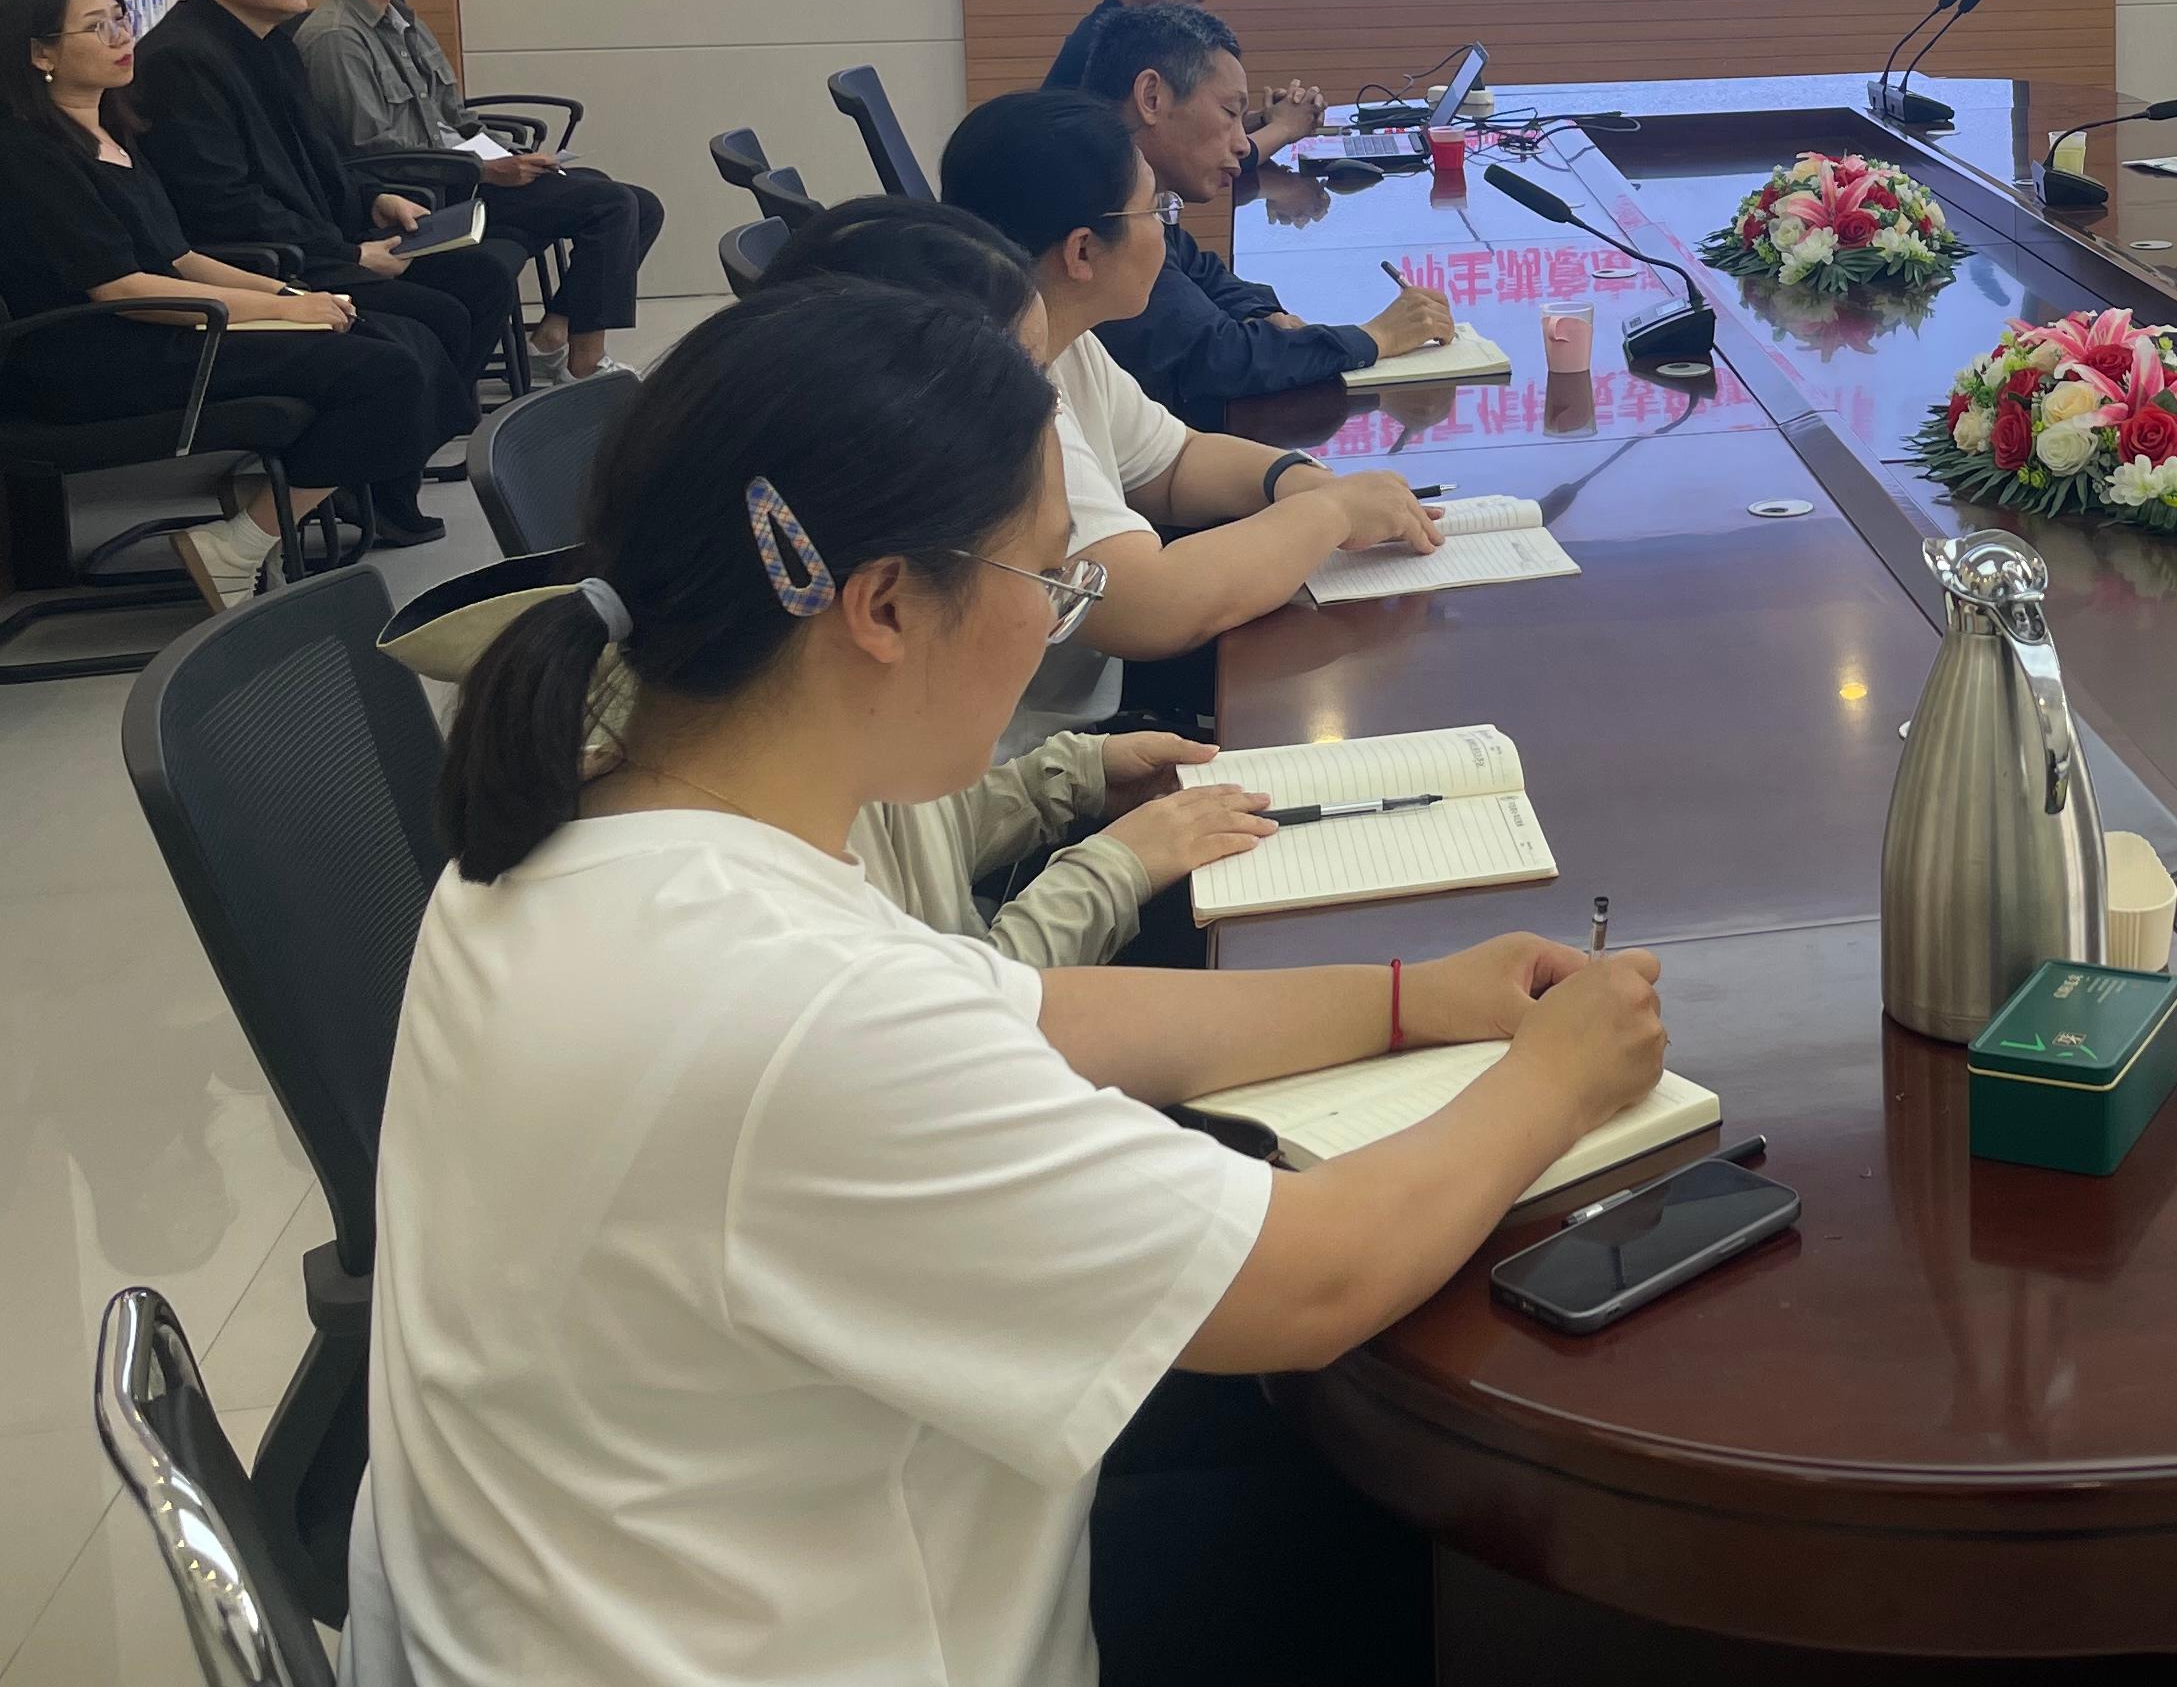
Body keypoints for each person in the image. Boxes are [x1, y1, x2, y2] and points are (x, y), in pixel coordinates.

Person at [356, 277, 1670, 1684]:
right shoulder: (792, 1009)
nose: (1057, 624)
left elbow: (1040, 1015)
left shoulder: (582, 829)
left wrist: (1415, 998)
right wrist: (1555, 1079)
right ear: (881, 606)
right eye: (1048, 582)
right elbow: (1313, 1278)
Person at [753, 196, 1284, 961]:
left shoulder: (828, 690)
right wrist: (1112, 868)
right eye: (1043, 577)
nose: (1047, 414)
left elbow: (921, 842)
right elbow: (961, 1007)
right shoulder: (764, 869)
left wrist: (1071, 779)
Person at [939, 89, 1440, 750]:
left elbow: (1173, 462)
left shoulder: (1061, 333)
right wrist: (1334, 514)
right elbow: (1152, 604)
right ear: (1083, 253)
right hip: (1031, 762)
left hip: (1092, 716)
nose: (1167, 230)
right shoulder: (999, 394)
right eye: (1155, 210)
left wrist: (1300, 480)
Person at [0, 0, 439, 608]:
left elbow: (181, 259)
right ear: (41, 53)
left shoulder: (109, 129)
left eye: (122, 18)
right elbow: (121, 291)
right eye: (97, 27)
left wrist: (291, 299)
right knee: (383, 371)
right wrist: (283, 313)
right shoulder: (31, 153)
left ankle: (251, 525)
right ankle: (241, 542)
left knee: (378, 334)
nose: (123, 37)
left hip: (163, 327)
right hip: (93, 357)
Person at [129, 0, 514, 537]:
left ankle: (385, 464)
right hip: (258, 263)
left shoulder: (272, 41)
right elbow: (221, 203)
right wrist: (347, 254)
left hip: (316, 237)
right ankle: (366, 480)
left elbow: (323, 154)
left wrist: (373, 199)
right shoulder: (181, 60)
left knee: (481, 276)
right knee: (435, 313)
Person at [298, 0, 665, 382]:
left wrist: (507, 155)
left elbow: (450, 116)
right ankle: (584, 366)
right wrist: (487, 172)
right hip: (420, 199)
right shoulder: (337, 37)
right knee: (612, 204)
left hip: (460, 174)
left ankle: (552, 336)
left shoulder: (400, 19)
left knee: (638, 202)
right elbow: (373, 152)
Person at [1080, 2, 1452, 425]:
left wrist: (1260, 314)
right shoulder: (1099, 209)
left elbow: (1203, 274)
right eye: (1229, 113)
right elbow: (1219, 359)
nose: (1243, 144)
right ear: (1151, 98)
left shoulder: (1128, 183)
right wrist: (1378, 336)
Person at [1043, 0, 1322, 165]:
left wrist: (1264, 119)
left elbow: (1188, 131)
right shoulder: (1116, 44)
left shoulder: (1140, 31)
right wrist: (1284, 128)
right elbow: (1198, 157)